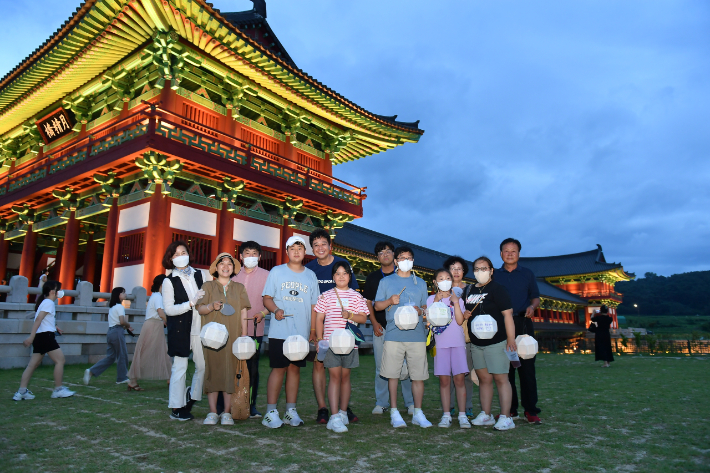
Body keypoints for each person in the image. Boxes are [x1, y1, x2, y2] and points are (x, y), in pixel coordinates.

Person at [261, 235, 320, 428]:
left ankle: (290, 411)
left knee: (294, 370)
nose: (296, 251)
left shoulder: (310, 275)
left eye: (300, 248)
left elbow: (314, 305)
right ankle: (270, 412)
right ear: (286, 252)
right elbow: (267, 298)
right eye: (292, 248)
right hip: (280, 331)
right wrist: (275, 310)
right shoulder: (277, 272)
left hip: (301, 332)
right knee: (279, 369)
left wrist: (312, 330)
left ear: (305, 252)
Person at [305, 228, 360, 424]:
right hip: (319, 324)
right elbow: (311, 301)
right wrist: (313, 330)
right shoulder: (310, 269)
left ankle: (342, 407)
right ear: (312, 248)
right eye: (316, 245)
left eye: (323, 244)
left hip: (342, 327)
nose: (320, 248)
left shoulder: (342, 266)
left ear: (330, 245)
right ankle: (323, 407)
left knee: (342, 369)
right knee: (319, 364)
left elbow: (355, 297)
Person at [374, 246, 432, 429]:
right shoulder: (386, 282)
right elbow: (377, 306)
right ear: (396, 261)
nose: (405, 260)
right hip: (393, 334)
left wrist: (421, 310)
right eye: (402, 257)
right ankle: (394, 411)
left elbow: (425, 308)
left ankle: (418, 412)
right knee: (392, 374)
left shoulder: (421, 283)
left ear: (413, 261)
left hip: (417, 335)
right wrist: (390, 301)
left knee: (418, 376)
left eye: (409, 257)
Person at [196, 253, 251, 425]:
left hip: (233, 337)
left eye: (229, 263)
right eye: (222, 263)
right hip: (211, 339)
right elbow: (200, 309)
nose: (225, 266)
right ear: (216, 267)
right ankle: (213, 412)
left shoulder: (239, 287)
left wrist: (244, 335)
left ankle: (226, 412)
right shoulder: (207, 286)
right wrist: (211, 306)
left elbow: (244, 312)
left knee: (230, 372)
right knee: (212, 371)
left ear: (233, 268)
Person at [314, 261, 369, 433]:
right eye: (337, 273)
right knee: (335, 377)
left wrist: (351, 315)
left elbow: (363, 318)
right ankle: (334, 416)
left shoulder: (357, 296)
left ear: (349, 276)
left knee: (346, 377)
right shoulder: (326, 296)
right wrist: (319, 339)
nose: (341, 276)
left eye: (344, 273)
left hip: (350, 344)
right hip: (331, 344)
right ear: (333, 277)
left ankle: (344, 412)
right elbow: (319, 318)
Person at [465, 256, 517, 431]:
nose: (481, 272)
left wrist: (511, 339)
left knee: (501, 378)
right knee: (484, 379)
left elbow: (508, 314)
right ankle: (486, 414)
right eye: (477, 269)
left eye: (484, 268)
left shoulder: (497, 289)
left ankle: (506, 417)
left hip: (496, 341)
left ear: (491, 270)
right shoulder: (470, 290)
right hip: (476, 342)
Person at [494, 238, 542, 424]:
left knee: (527, 369)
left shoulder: (527, 274)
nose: (510, 254)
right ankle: (510, 409)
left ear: (519, 254)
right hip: (501, 326)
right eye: (506, 251)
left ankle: (531, 410)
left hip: (523, 324)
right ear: (501, 254)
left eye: (513, 251)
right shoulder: (495, 275)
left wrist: (532, 307)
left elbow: (535, 297)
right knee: (506, 371)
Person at [162, 240, 211, 421]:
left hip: (200, 326)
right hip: (181, 329)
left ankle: (191, 398)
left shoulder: (200, 274)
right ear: (170, 259)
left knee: (203, 366)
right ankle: (176, 406)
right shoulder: (169, 281)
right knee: (180, 368)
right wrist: (191, 303)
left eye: (183, 252)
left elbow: (206, 296)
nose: (181, 256)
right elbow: (169, 309)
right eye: (176, 254)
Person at [364, 241, 414, 416]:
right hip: (381, 327)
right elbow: (369, 302)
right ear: (377, 257)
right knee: (381, 366)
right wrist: (374, 322)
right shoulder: (372, 278)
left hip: (403, 327)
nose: (385, 255)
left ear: (394, 254)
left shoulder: (405, 275)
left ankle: (410, 402)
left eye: (388, 251)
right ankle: (382, 402)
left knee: (406, 366)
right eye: (380, 253)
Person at [13, 280, 75, 400]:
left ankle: (21, 392)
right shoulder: (48, 303)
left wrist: (55, 327)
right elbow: (38, 320)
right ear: (52, 291)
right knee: (60, 360)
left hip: (41, 336)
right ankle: (58, 389)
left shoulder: (45, 302)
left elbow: (44, 319)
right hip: (45, 337)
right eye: (59, 289)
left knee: (32, 365)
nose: (61, 292)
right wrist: (31, 337)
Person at [427, 269, 471, 429]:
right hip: (440, 344)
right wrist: (437, 302)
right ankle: (446, 415)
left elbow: (459, 321)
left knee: (459, 380)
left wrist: (456, 302)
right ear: (435, 282)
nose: (444, 281)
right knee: (444, 381)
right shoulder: (431, 298)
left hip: (458, 343)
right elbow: (431, 318)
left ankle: (462, 415)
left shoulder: (457, 298)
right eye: (441, 278)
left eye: (447, 278)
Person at [232, 240, 270, 418]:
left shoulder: (267, 275)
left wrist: (263, 312)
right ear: (241, 256)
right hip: (234, 330)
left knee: (252, 368)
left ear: (260, 257)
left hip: (256, 329)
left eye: (255, 253)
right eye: (247, 253)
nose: (251, 256)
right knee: (233, 367)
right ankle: (232, 403)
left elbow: (271, 301)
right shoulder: (233, 276)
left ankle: (251, 404)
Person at [126, 275, 172, 391]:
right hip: (153, 326)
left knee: (162, 350)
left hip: (154, 325)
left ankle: (170, 377)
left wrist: (165, 321)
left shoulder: (155, 296)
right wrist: (168, 322)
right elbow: (161, 313)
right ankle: (133, 380)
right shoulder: (158, 297)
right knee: (145, 352)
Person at [443, 255, 475, 418]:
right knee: (447, 374)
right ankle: (449, 406)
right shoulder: (442, 291)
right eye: (452, 268)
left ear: (464, 271)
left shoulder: (470, 290)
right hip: (447, 337)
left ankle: (467, 405)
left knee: (465, 373)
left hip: (465, 335)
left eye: (459, 268)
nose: (455, 272)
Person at [84, 287, 132, 386]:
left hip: (111, 332)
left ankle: (91, 371)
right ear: (119, 295)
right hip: (117, 332)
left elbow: (116, 322)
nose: (125, 294)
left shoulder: (112, 308)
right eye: (124, 293)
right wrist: (128, 325)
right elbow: (122, 321)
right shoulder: (120, 307)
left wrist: (125, 327)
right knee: (122, 355)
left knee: (111, 357)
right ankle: (122, 378)